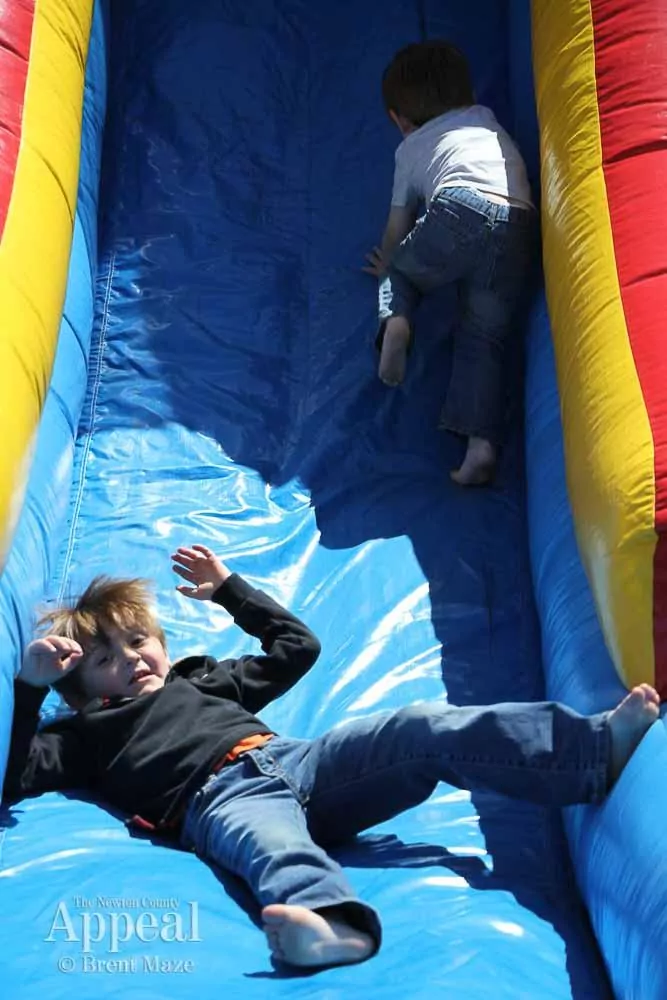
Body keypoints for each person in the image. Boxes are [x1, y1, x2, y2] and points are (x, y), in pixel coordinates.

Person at [3, 543, 660, 970]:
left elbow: (297, 649)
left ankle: (589, 753)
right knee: (273, 846)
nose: (130, 660)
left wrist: (230, 590)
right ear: (81, 688)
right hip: (221, 798)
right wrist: (29, 688)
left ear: (162, 642)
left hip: (300, 761)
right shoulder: (84, 735)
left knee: (418, 726)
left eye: (138, 641)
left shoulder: (200, 679)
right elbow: (16, 775)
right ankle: (334, 926)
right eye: (104, 659)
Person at [364, 41, 537, 486]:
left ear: (398, 120)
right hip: (519, 223)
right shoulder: (485, 119)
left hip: (459, 208)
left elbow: (397, 226)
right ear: (468, 95)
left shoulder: (410, 149)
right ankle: (480, 445)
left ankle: (396, 324)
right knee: (483, 338)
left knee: (400, 272)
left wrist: (388, 265)